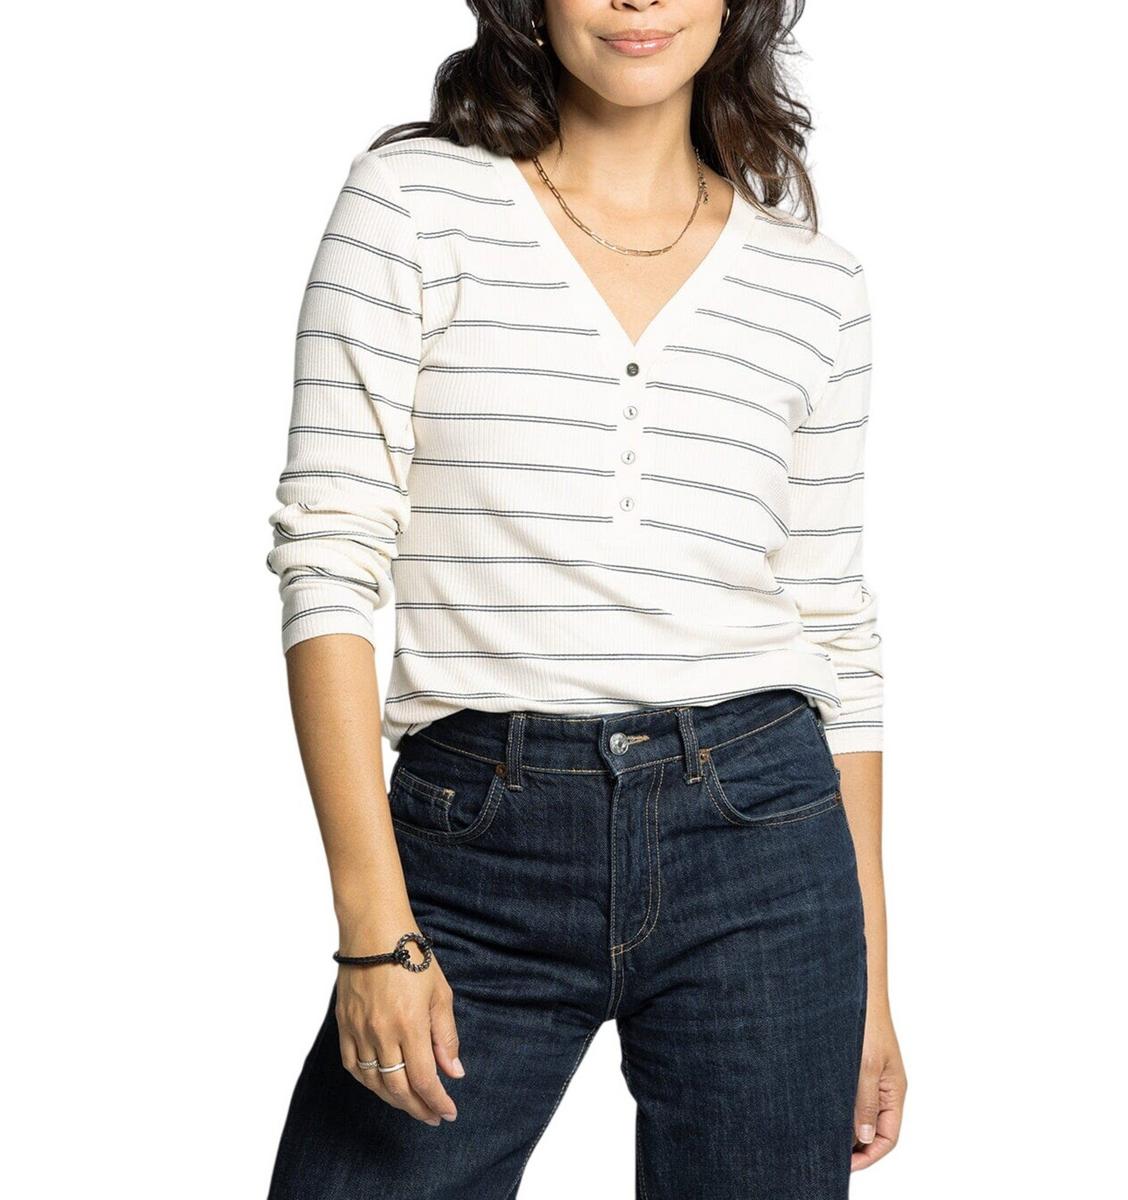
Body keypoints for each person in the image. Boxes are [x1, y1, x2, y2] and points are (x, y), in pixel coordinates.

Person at [263, 2, 906, 1196]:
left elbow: (835, 632)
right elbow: (330, 554)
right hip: (476, 842)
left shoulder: (815, 285)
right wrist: (375, 931)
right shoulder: (412, 206)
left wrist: (870, 985)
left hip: (763, 840)